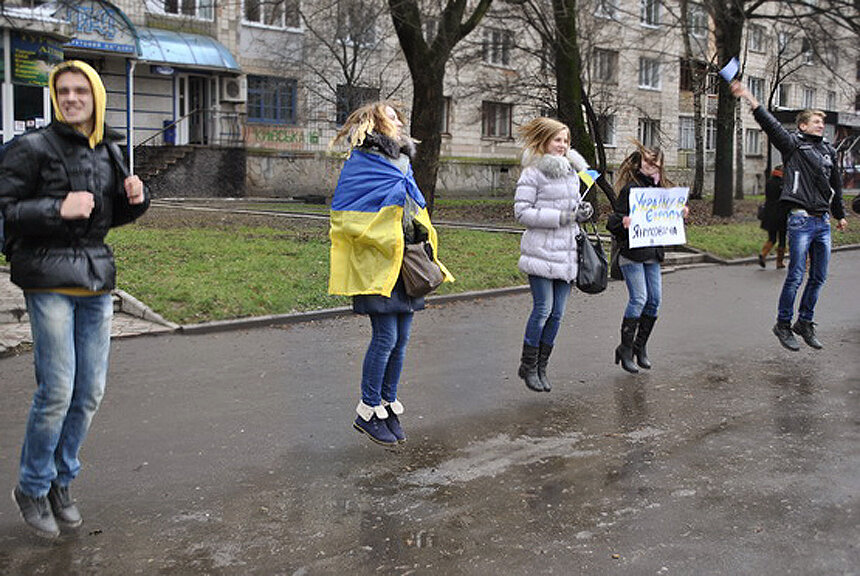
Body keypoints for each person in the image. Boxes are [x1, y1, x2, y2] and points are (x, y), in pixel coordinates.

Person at [0, 60, 149, 538]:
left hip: (95, 279)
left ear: (96, 97)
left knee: (89, 393)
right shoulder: (30, 148)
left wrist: (135, 200)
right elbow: (7, 211)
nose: (70, 99)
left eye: (79, 91)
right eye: (62, 91)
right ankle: (32, 484)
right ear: (54, 97)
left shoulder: (110, 150)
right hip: (46, 278)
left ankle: (62, 480)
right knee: (57, 390)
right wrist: (56, 208)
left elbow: (105, 219)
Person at [328, 101, 452, 446]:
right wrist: (388, 227)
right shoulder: (362, 163)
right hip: (377, 264)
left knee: (401, 340)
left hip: (406, 262)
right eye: (391, 117)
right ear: (374, 123)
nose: (398, 122)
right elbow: (346, 219)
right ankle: (367, 410)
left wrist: (417, 228)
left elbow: (412, 206)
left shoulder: (402, 162)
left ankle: (387, 405)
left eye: (399, 117)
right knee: (384, 339)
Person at [731, 81, 848, 351]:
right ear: (803, 126)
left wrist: (839, 214)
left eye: (822, 120)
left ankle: (804, 322)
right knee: (795, 274)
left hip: (823, 222)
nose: (821, 123)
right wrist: (749, 97)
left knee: (819, 276)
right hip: (801, 220)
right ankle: (783, 323)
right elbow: (770, 124)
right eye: (816, 120)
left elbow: (836, 186)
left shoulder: (829, 152)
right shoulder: (793, 145)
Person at [514, 117, 593, 392]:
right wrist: (563, 216)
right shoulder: (532, 173)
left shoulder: (572, 172)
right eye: (558, 140)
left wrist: (581, 213)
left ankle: (541, 366)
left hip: (567, 252)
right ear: (544, 141)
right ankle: (527, 365)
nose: (563, 145)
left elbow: (573, 208)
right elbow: (522, 212)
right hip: (540, 252)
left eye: (566, 140)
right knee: (543, 309)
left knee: (557, 314)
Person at [606, 143, 688, 374]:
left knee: (655, 300)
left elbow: (668, 219)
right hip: (632, 254)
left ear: (661, 163)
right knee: (639, 298)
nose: (650, 166)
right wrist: (623, 223)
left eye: (654, 162)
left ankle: (640, 347)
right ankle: (625, 348)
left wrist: (681, 214)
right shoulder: (631, 190)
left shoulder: (664, 190)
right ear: (640, 162)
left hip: (652, 253)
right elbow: (613, 221)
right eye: (646, 161)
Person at [758, 165, 789, 269]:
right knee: (782, 238)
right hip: (781, 214)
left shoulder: (769, 182)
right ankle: (779, 262)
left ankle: (763, 254)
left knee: (772, 237)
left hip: (769, 213)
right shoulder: (784, 184)